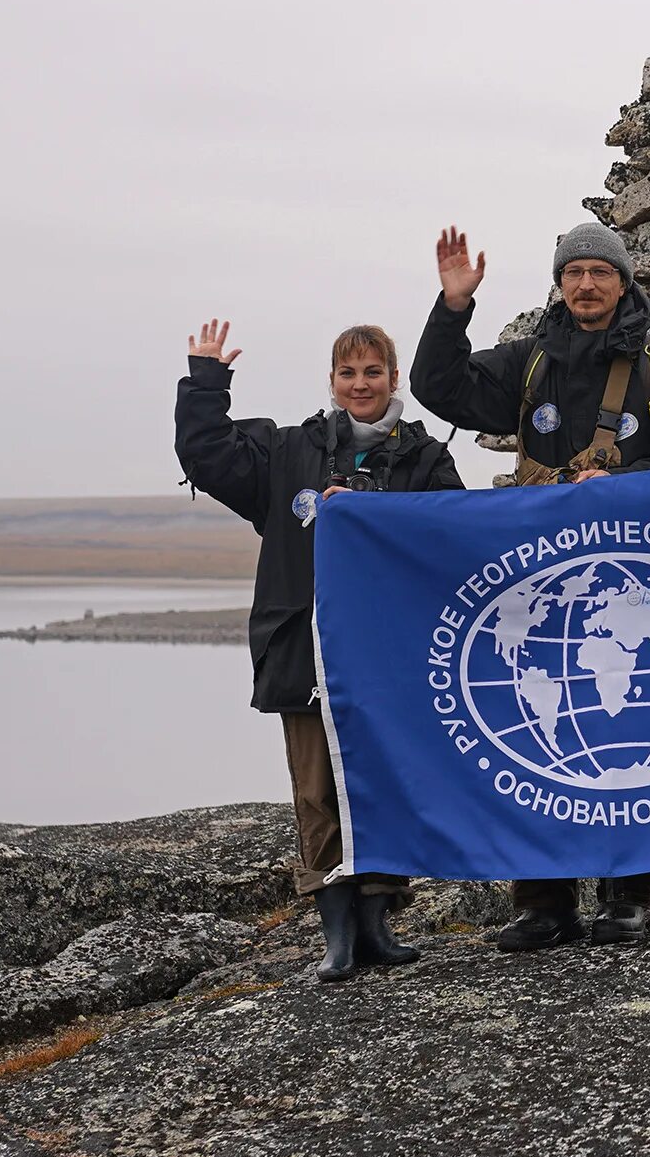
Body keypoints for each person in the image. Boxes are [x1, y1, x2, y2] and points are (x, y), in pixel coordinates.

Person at [411, 216, 650, 952]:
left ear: (624, 280)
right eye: (573, 272)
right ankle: (544, 902)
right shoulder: (527, 362)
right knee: (542, 736)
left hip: (635, 589)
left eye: (600, 271)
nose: (586, 283)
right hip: (542, 586)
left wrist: (625, 483)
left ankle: (628, 894)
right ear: (559, 283)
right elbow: (436, 386)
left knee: (628, 722)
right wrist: (453, 309)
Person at [174, 319, 464, 982]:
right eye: (348, 373)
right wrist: (205, 383)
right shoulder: (289, 452)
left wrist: (371, 509)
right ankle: (336, 931)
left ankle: (376, 923)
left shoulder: (424, 458)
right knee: (316, 791)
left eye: (372, 372)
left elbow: (452, 532)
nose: (360, 384)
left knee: (383, 783)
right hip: (303, 649)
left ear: (393, 378)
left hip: (389, 655)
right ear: (332, 382)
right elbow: (208, 456)